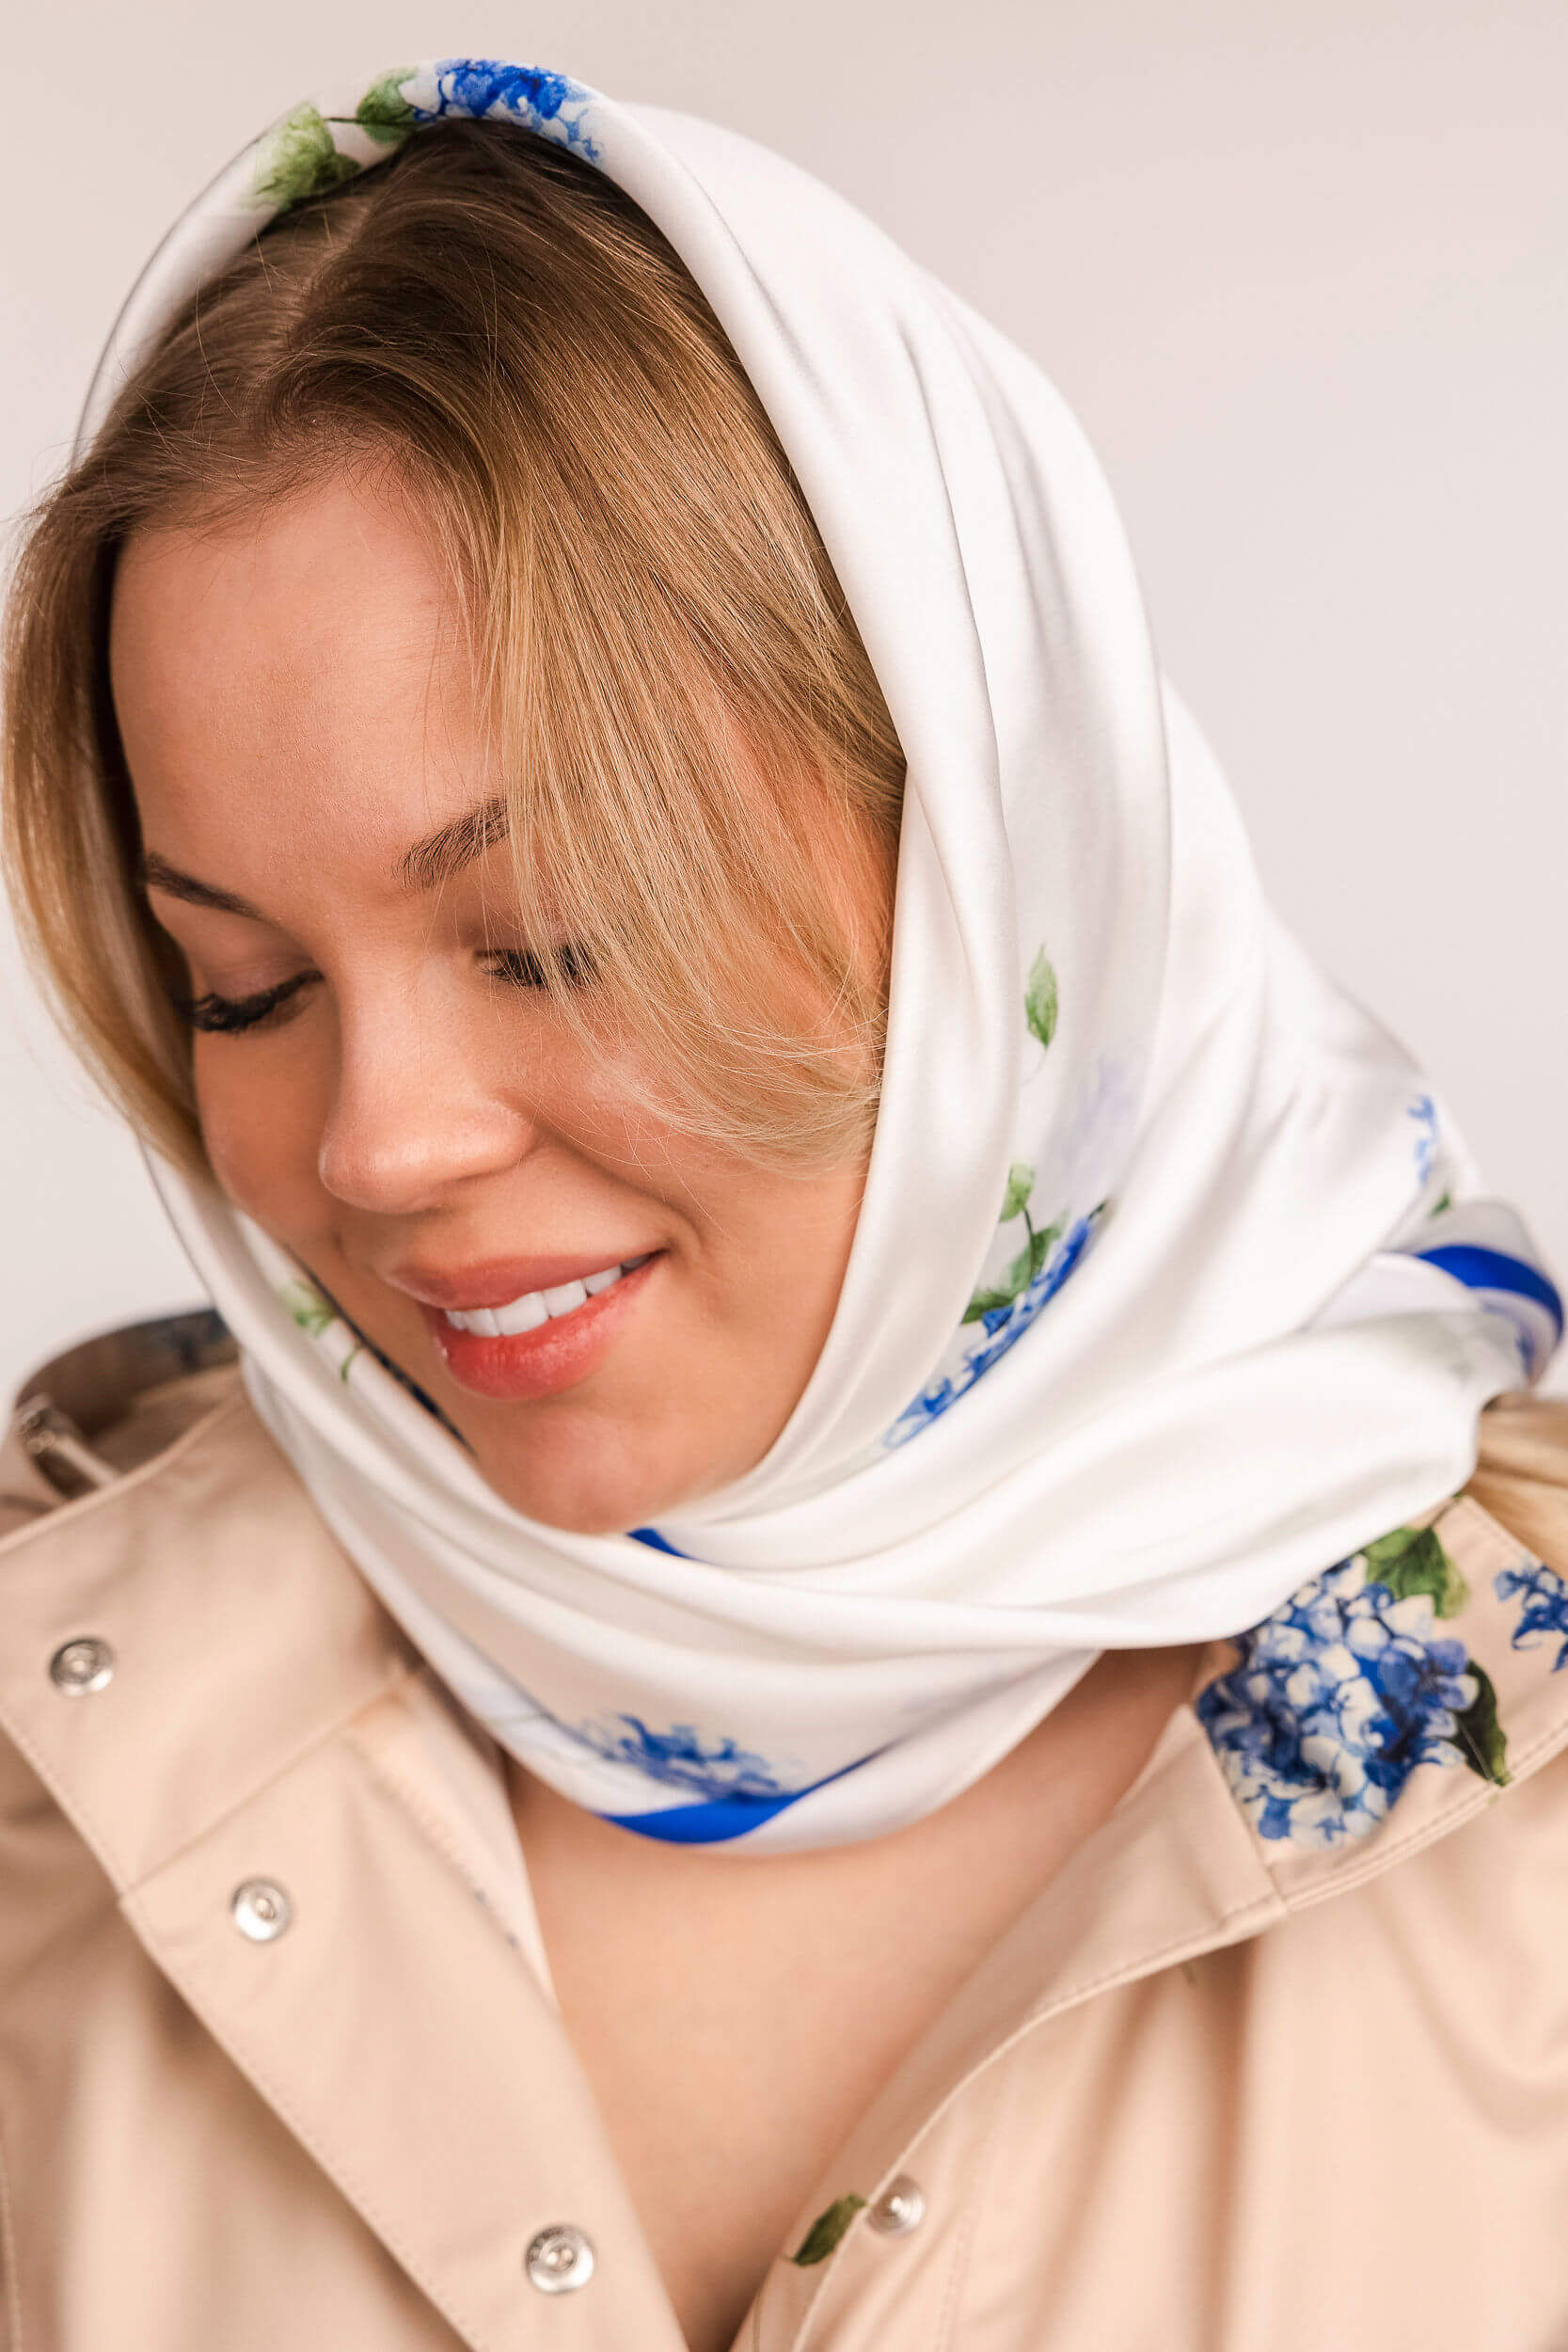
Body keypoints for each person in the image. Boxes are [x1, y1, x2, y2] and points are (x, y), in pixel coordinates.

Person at [2, 58, 1566, 2352]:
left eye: (548, 933)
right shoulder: (52, 1764)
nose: (375, 1146)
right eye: (246, 985)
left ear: (1007, 845)